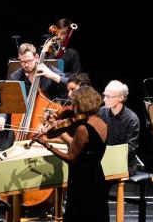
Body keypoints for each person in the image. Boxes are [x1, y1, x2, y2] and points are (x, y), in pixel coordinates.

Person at [33, 86, 108, 221]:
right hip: (97, 178)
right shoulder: (102, 123)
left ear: (82, 104)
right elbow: (78, 146)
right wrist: (57, 126)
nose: (72, 108)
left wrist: (46, 144)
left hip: (82, 181)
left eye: (74, 104)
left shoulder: (82, 128)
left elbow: (71, 157)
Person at [0, 43, 67, 132]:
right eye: (22, 61)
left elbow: (70, 83)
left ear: (36, 57)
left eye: (28, 61)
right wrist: (2, 118)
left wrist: (52, 75)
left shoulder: (48, 70)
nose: (25, 65)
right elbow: (7, 100)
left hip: (46, 120)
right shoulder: (16, 77)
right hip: (22, 121)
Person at [97, 80, 140, 174]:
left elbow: (130, 148)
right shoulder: (102, 111)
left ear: (121, 97)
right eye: (104, 95)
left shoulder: (132, 119)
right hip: (103, 159)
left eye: (109, 96)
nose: (104, 99)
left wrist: (108, 156)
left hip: (123, 163)